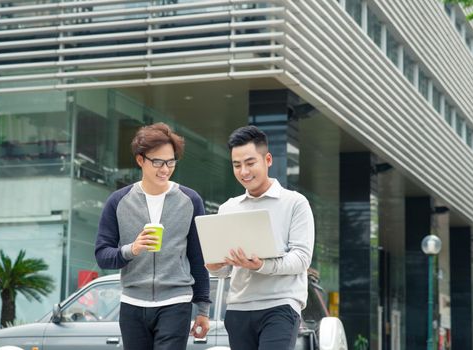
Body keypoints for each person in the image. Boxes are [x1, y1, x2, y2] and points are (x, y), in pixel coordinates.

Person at [95, 122, 210, 350]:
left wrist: (203, 310)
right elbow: (102, 254)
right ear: (141, 160)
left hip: (176, 302)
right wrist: (132, 249)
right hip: (132, 304)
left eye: (170, 162)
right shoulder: (118, 201)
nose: (165, 169)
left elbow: (198, 258)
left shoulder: (190, 200)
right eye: (157, 162)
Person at [206, 125, 314, 350]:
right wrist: (214, 263)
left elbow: (302, 259)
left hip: (280, 307)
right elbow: (223, 271)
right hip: (238, 310)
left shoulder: (295, 203)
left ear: (268, 159)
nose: (244, 171)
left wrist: (261, 265)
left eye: (250, 163)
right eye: (237, 165)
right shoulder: (227, 208)